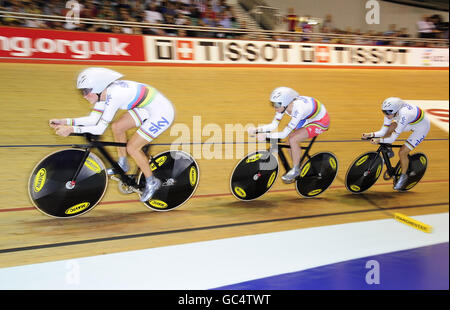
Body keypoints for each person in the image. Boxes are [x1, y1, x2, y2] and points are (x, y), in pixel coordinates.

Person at [49, 67, 175, 202]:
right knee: (117, 127)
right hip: (145, 107)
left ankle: (152, 181)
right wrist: (65, 121)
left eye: (86, 91)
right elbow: (93, 119)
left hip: (161, 112)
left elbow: (99, 129)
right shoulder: (102, 94)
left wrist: (71, 129)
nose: (84, 96)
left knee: (132, 148)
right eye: (82, 92)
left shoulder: (114, 95)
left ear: (97, 87)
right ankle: (123, 164)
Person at [248, 87, 330, 183]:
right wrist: (257, 130)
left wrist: (266, 136)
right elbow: (274, 125)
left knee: (293, 140)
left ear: (286, 102)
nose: (275, 107)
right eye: (273, 104)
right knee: (289, 143)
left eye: (277, 104)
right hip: (307, 117)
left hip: (320, 120)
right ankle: (299, 164)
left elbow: (283, 134)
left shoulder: (298, 109)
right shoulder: (283, 106)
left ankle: (296, 170)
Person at [362, 97, 430, 190]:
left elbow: (392, 139)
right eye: (384, 112)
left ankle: (403, 176)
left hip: (421, 127)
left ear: (396, 111)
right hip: (411, 122)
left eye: (388, 112)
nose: (386, 115)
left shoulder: (404, 115)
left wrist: (379, 140)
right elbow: (383, 132)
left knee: (402, 152)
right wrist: (370, 134)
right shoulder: (390, 112)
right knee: (392, 126)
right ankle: (388, 151)